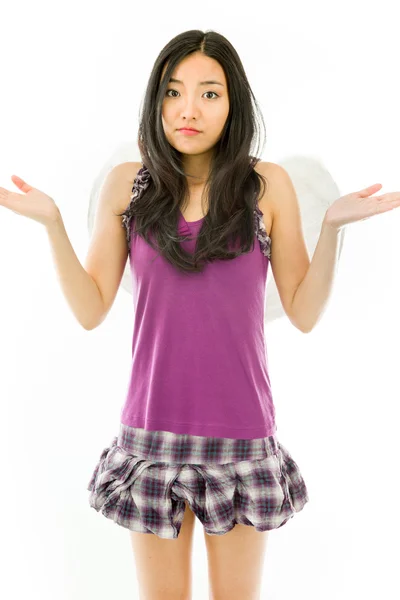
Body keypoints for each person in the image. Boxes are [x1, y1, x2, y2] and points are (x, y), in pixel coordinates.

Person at [5, 27, 397, 600]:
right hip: (150, 436)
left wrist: (331, 228)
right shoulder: (129, 187)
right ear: (155, 98)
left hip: (241, 437)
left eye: (209, 93)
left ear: (233, 102)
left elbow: (304, 313)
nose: (189, 108)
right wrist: (52, 223)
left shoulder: (267, 186)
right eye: (174, 90)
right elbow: (91, 309)